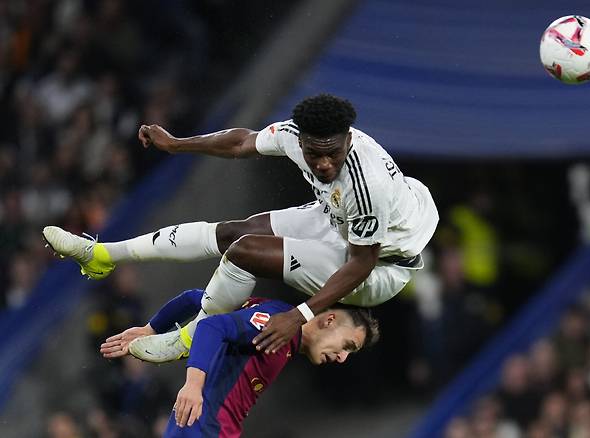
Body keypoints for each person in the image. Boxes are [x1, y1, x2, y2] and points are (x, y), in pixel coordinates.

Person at [43, 93, 438, 361]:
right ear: (299, 140)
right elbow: (240, 143)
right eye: (314, 154)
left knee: (245, 252)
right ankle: (101, 254)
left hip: (383, 263)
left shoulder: (365, 185)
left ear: (348, 140)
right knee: (233, 232)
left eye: (333, 154)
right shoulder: (292, 136)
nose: (323, 165)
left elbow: (360, 263)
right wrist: (177, 144)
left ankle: (185, 340)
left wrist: (299, 315)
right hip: (341, 220)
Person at [99, 288, 380, 437]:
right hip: (204, 430)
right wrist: (193, 385)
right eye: (347, 346)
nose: (343, 358)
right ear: (329, 320)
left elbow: (198, 299)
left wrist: (151, 328)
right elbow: (212, 327)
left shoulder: (277, 321)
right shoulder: (279, 324)